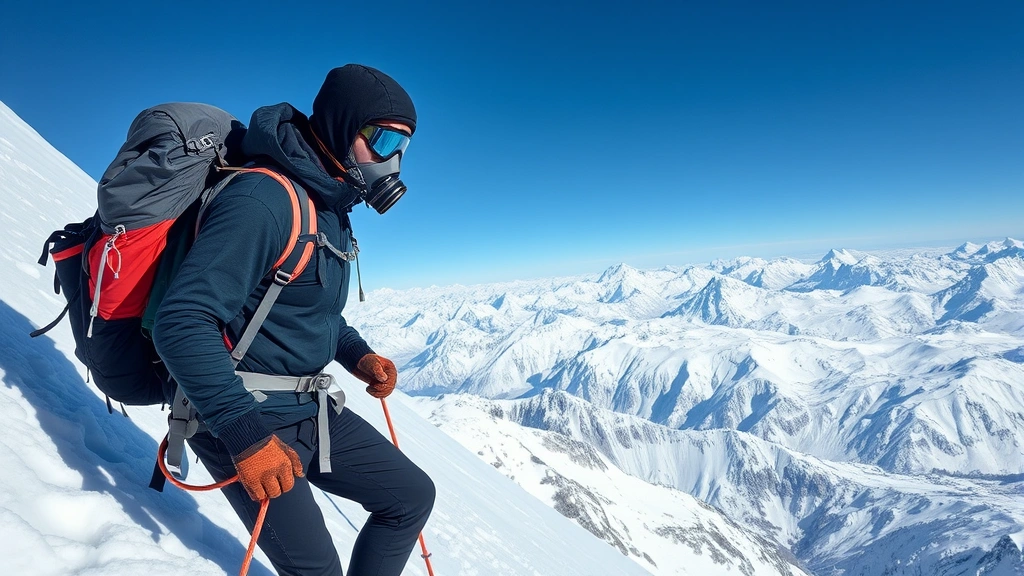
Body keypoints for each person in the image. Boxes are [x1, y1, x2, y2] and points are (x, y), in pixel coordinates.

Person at [152, 64, 435, 576]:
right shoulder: (263, 200)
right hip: (243, 413)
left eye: (404, 146)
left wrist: (358, 355)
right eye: (385, 138)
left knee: (411, 497)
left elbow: (309, 310)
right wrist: (245, 435)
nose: (393, 160)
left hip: (308, 407)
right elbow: (183, 319)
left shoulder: (330, 207)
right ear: (340, 124)